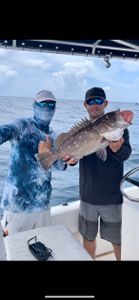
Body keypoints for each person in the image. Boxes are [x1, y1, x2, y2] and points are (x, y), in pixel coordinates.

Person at [0, 90, 70, 235]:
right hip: (17, 206)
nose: (47, 107)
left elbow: (60, 166)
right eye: (43, 103)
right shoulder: (21, 125)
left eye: (51, 104)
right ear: (34, 105)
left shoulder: (54, 136)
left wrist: (69, 159)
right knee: (15, 252)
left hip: (43, 205)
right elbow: (4, 132)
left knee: (41, 250)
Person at [78, 87, 132, 260]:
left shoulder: (119, 128)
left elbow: (126, 153)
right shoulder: (81, 131)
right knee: (88, 237)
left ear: (105, 104)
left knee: (118, 240)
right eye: (91, 101)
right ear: (85, 105)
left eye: (99, 101)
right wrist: (68, 159)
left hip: (112, 196)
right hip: (88, 196)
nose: (95, 105)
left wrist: (116, 150)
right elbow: (74, 156)